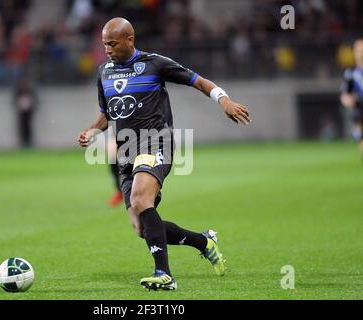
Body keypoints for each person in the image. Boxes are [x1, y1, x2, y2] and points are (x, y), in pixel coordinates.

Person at [78, 18, 251, 291]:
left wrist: (225, 101)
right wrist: (92, 130)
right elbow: (107, 112)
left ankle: (164, 274)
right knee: (141, 228)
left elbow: (199, 81)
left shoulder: (154, 64)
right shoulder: (104, 72)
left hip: (155, 142)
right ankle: (204, 242)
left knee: (140, 197)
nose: (107, 49)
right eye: (104, 45)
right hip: (126, 151)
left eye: (112, 44)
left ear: (130, 40)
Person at [340, 39, 363, 161]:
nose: (361, 52)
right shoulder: (351, 72)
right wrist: (347, 100)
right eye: (358, 50)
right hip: (359, 109)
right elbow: (345, 93)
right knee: (360, 136)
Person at [13, 76, 37, 148]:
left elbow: (35, 101)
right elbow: (14, 100)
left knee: (28, 126)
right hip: (21, 112)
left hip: (29, 112)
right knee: (22, 127)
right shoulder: (19, 91)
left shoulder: (30, 90)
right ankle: (23, 142)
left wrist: (30, 105)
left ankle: (29, 142)